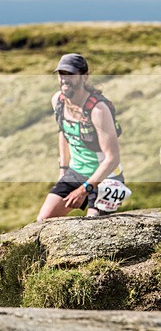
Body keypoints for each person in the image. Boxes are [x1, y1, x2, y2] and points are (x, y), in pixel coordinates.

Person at [36, 53, 124, 221]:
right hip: (76, 173)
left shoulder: (98, 110)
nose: (64, 79)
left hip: (106, 178)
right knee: (42, 220)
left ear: (85, 77)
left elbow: (112, 158)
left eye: (70, 74)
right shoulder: (58, 101)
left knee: (93, 228)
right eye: (61, 74)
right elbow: (64, 133)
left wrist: (84, 190)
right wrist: (63, 171)